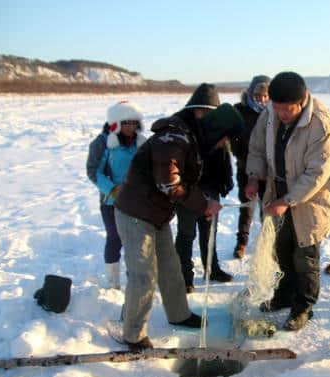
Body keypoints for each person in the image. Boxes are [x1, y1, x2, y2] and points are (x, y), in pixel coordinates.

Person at [113, 97, 243, 351]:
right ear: (218, 130)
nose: (223, 144)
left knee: (171, 268)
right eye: (225, 138)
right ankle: (133, 334)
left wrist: (202, 202)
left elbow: (183, 182)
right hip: (135, 215)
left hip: (155, 214)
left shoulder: (190, 140)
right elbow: (170, 183)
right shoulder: (173, 139)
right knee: (143, 276)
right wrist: (204, 205)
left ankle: (179, 314)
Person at [245, 72, 330, 331]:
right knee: (280, 250)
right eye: (277, 108)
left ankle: (303, 307)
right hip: (277, 193)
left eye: (287, 109)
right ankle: (284, 295)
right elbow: (256, 148)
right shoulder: (270, 114)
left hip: (309, 201)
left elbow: (316, 173)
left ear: (302, 101)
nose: (281, 114)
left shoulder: (319, 123)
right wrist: (254, 176)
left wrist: (288, 200)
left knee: (304, 256)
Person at [173, 84, 235, 289]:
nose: (206, 115)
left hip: (211, 185)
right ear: (193, 108)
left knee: (210, 231)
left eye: (211, 111)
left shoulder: (219, 127)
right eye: (203, 110)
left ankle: (212, 269)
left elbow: (224, 158)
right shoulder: (181, 126)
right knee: (186, 233)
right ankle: (184, 275)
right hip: (188, 189)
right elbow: (183, 160)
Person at [86, 101, 146, 289]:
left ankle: (135, 279)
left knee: (135, 240)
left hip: (136, 200)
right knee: (115, 237)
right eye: (126, 123)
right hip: (111, 201)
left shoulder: (141, 143)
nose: (130, 127)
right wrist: (112, 189)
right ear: (116, 123)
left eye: (133, 123)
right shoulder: (103, 142)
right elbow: (93, 171)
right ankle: (113, 282)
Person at [231, 75, 271, 259]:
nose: (261, 99)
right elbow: (231, 137)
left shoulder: (274, 112)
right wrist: (241, 155)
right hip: (245, 168)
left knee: (267, 208)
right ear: (250, 93)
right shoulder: (239, 111)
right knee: (247, 207)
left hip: (269, 171)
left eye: (265, 96)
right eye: (257, 95)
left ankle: (266, 244)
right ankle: (242, 242)